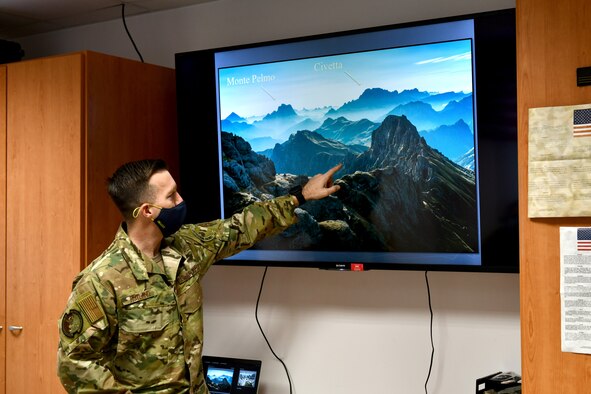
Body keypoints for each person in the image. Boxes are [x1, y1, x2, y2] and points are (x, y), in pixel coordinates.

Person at [57, 159, 342, 394]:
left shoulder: (188, 245)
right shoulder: (100, 280)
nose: (181, 201)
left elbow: (241, 227)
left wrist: (301, 195)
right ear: (147, 211)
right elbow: (74, 364)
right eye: (171, 196)